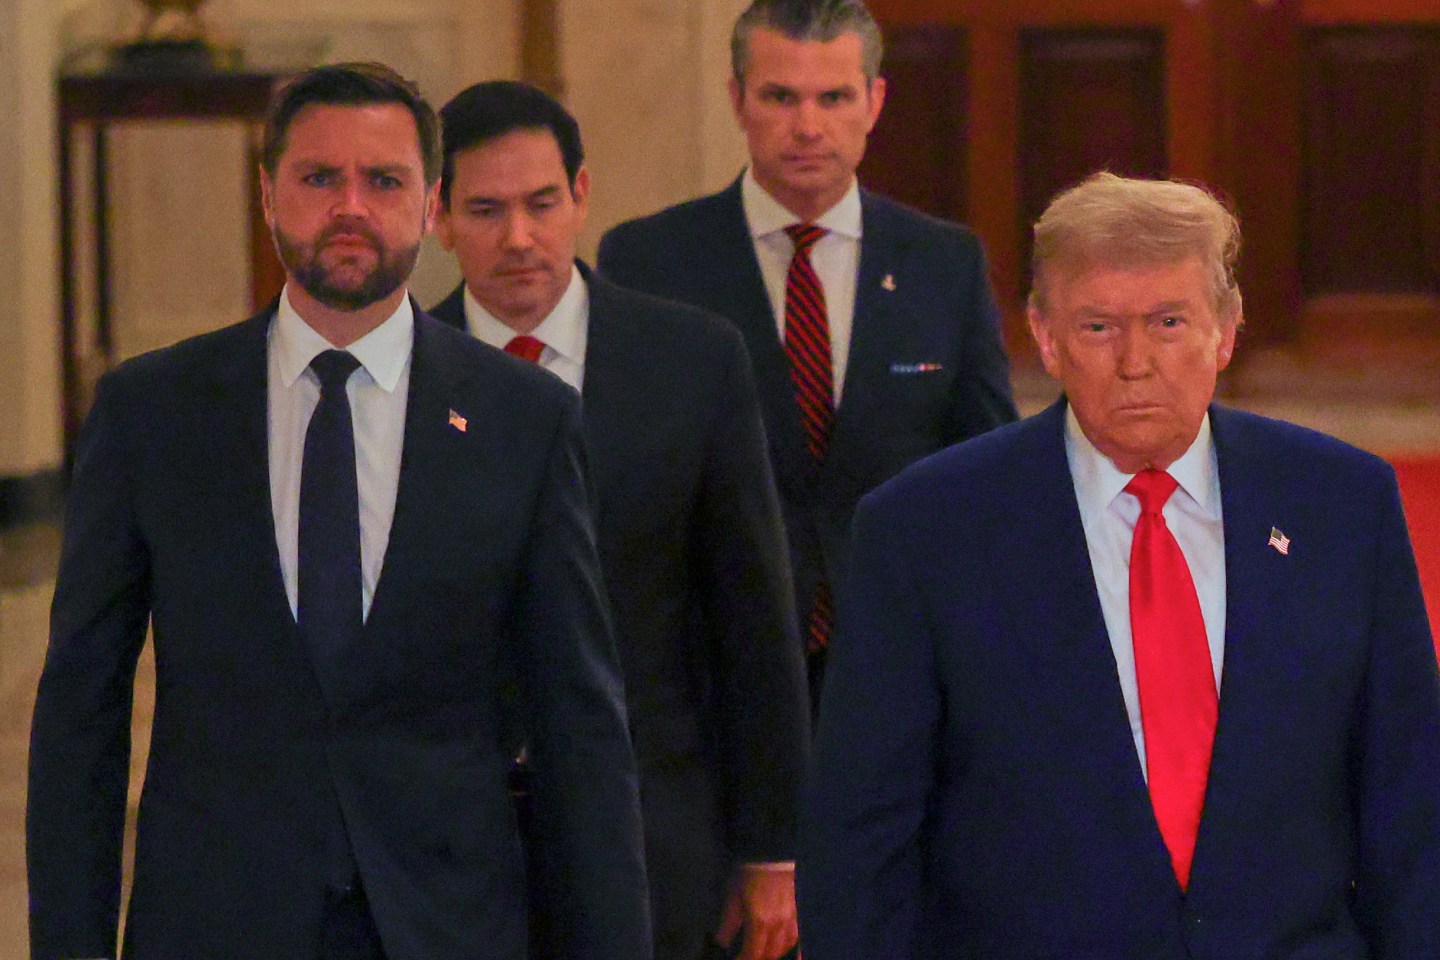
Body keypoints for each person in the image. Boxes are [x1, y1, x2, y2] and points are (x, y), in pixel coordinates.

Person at [26, 62, 649, 960]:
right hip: (215, 920)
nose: (351, 206)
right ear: (268, 192)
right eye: (320, 178)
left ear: (430, 202)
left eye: (384, 180)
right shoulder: (152, 411)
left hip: (447, 920)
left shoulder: (527, 419)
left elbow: (581, 724)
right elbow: (81, 712)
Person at [797, 171, 1440, 958]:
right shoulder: (923, 530)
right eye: (1099, 327)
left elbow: (1411, 808)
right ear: (1045, 335)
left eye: (1169, 321)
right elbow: (861, 839)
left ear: (1226, 329)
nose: (1135, 361)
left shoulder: (1342, 505)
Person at [428, 80, 809, 960]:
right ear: (438, 219)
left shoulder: (693, 359)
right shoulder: (400, 377)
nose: (518, 238)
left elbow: (754, 619)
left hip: (657, 829)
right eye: (485, 210)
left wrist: (772, 849)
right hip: (452, 847)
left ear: (582, 197)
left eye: (541, 203)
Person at [597, 0, 1018, 706]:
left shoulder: (945, 263)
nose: (808, 127)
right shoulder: (649, 261)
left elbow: (988, 468)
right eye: (780, 97)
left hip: (900, 655)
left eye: (834, 97)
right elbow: (625, 473)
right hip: (710, 667)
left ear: (875, 101)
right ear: (737, 100)